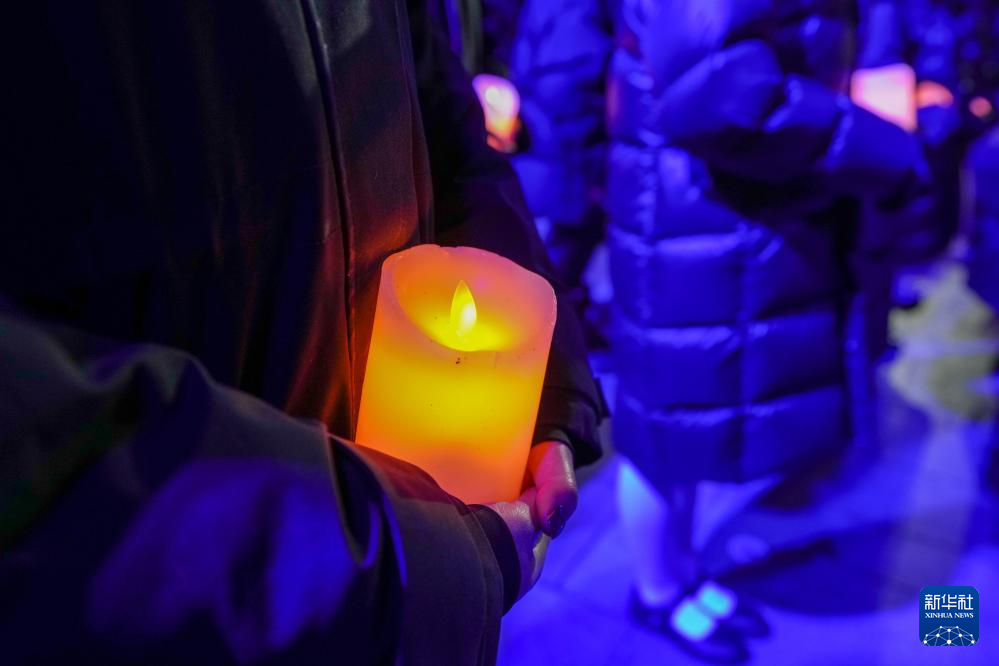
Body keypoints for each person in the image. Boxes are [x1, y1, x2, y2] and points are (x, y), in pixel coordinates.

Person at [0, 1, 604, 664]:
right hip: (185, 615)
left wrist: (540, 377)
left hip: (402, 585)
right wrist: (380, 561)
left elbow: (438, 109)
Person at [514, 0, 933, 662]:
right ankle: (658, 590)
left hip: (709, 212)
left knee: (683, 432)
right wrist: (875, 141)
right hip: (693, 214)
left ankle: (679, 576)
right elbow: (714, 92)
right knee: (662, 437)